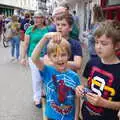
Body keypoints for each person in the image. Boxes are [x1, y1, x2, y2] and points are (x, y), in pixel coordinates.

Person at [75, 20, 120, 120]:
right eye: (96, 42)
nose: (98, 47)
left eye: (104, 44)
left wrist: (105, 103)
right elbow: (88, 85)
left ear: (117, 45)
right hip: (86, 114)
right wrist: (81, 89)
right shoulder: (92, 63)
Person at [31, 33, 81, 120]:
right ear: (49, 58)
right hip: (51, 116)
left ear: (69, 55)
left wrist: (76, 117)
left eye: (63, 55)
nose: (60, 59)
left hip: (70, 117)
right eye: (55, 56)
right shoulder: (47, 71)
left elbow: (77, 98)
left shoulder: (74, 76)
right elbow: (34, 58)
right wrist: (45, 37)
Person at [20, 11, 49, 108]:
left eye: (38, 17)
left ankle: (43, 92)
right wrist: (23, 57)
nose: (36, 19)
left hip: (45, 56)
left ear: (43, 19)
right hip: (33, 57)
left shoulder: (48, 29)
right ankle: (37, 98)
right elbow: (26, 44)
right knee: (36, 77)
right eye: (35, 17)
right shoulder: (30, 29)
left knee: (45, 76)